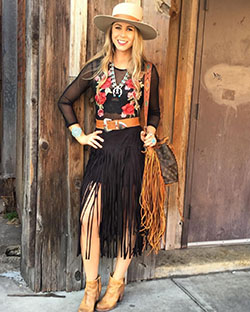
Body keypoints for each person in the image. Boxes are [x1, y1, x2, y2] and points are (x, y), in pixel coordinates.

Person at [58, 2, 160, 311]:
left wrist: (151, 130)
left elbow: (154, 112)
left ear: (137, 34)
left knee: (129, 219)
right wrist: (80, 135)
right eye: (118, 27)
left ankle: (116, 283)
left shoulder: (147, 71)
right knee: (89, 218)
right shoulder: (96, 67)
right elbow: (65, 101)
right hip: (102, 150)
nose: (123, 34)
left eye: (130, 28)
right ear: (110, 31)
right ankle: (91, 287)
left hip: (131, 148)